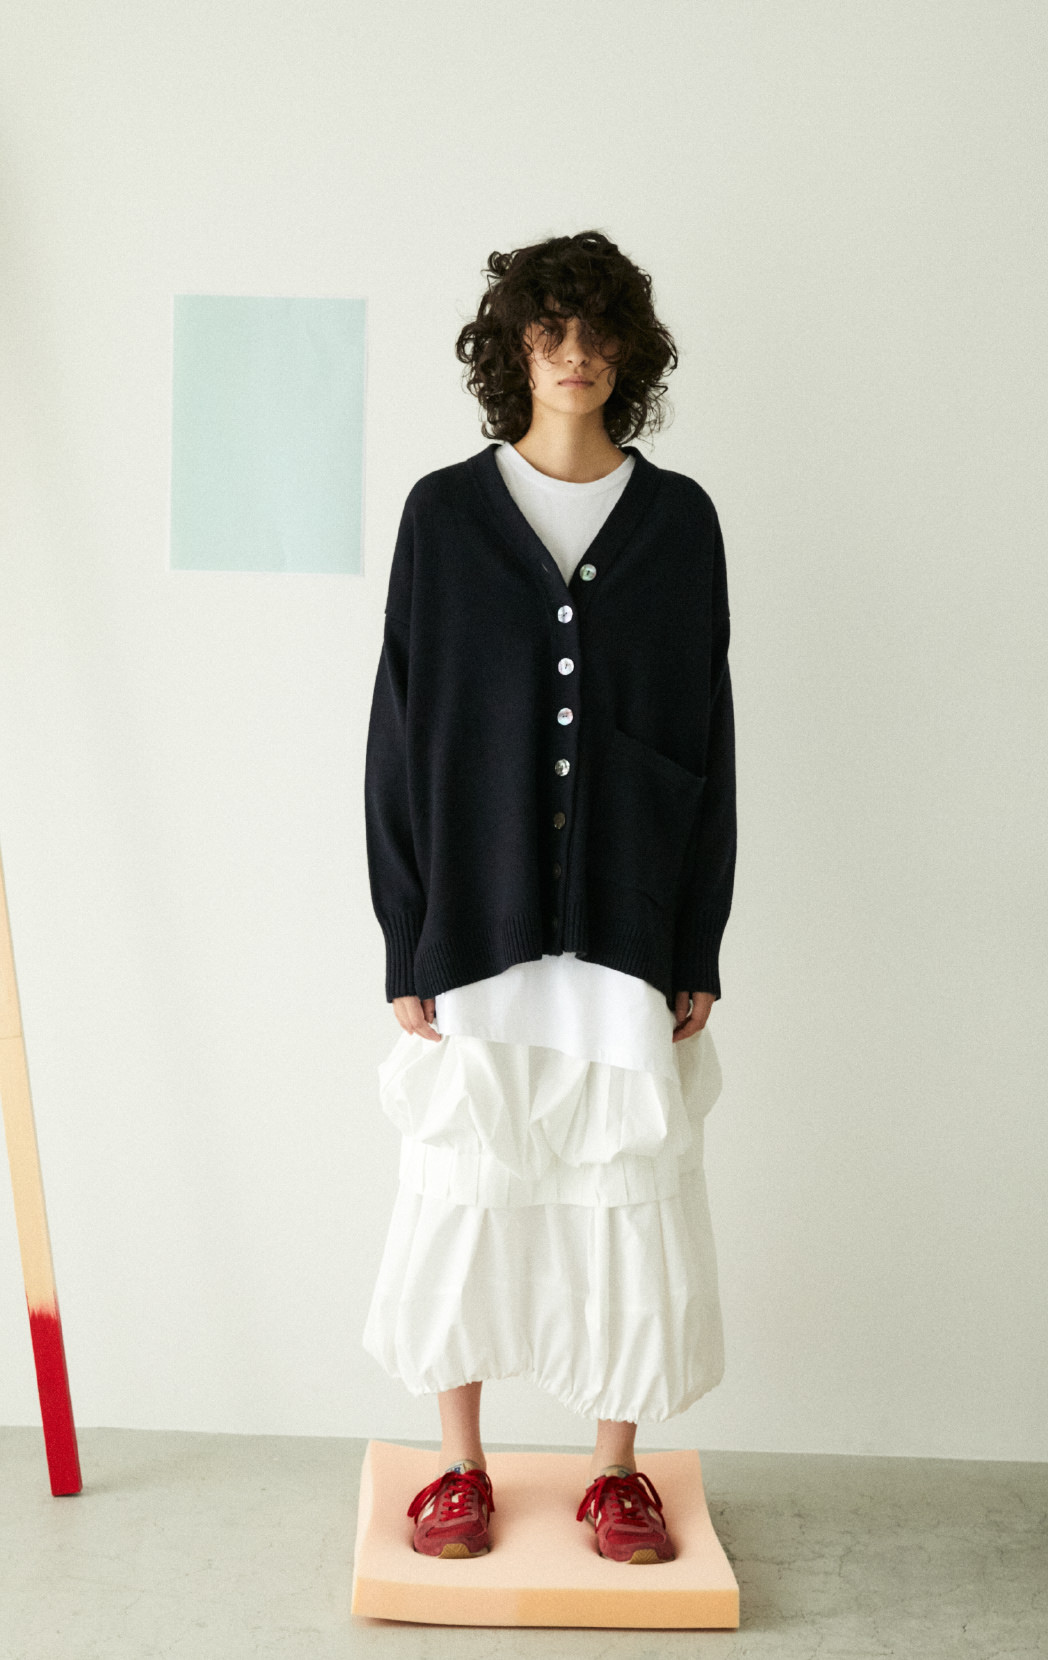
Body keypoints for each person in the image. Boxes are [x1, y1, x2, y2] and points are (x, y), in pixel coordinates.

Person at [361, 229, 736, 1565]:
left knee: (621, 1192)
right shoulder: (443, 517)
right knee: (465, 1186)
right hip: (477, 914)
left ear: (629, 351)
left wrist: (696, 941)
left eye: (598, 331)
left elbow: (708, 737)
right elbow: (398, 729)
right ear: (513, 347)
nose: (576, 354)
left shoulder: (679, 524)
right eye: (549, 329)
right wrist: (406, 936)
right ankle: (458, 1465)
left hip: (627, 917)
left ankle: (613, 1473)